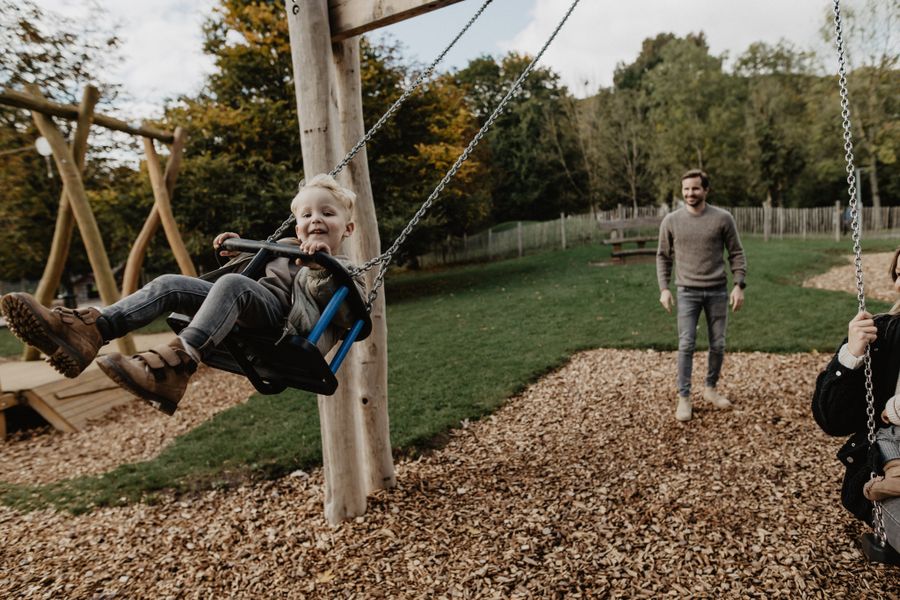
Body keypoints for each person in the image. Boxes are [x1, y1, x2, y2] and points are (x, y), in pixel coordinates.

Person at [0, 173, 363, 415]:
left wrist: (322, 268)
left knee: (233, 287)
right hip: (251, 307)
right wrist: (236, 249)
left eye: (327, 213)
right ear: (297, 226)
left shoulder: (347, 269)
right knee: (170, 282)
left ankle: (177, 367)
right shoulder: (282, 246)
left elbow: (349, 315)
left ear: (347, 228)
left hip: (288, 327)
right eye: (306, 214)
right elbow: (247, 275)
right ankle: (92, 331)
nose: (315, 219)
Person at [812, 247, 900, 551]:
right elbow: (832, 419)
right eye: (898, 275)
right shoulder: (882, 336)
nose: (899, 284)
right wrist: (850, 356)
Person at [656, 169, 747, 422]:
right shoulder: (671, 221)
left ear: (706, 190)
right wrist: (664, 289)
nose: (690, 193)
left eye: (695, 188)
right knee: (686, 344)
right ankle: (684, 397)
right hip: (687, 291)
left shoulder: (723, 218)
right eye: (686, 189)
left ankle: (710, 389)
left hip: (717, 290)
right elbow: (663, 257)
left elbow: (736, 253)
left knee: (718, 343)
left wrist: (739, 285)